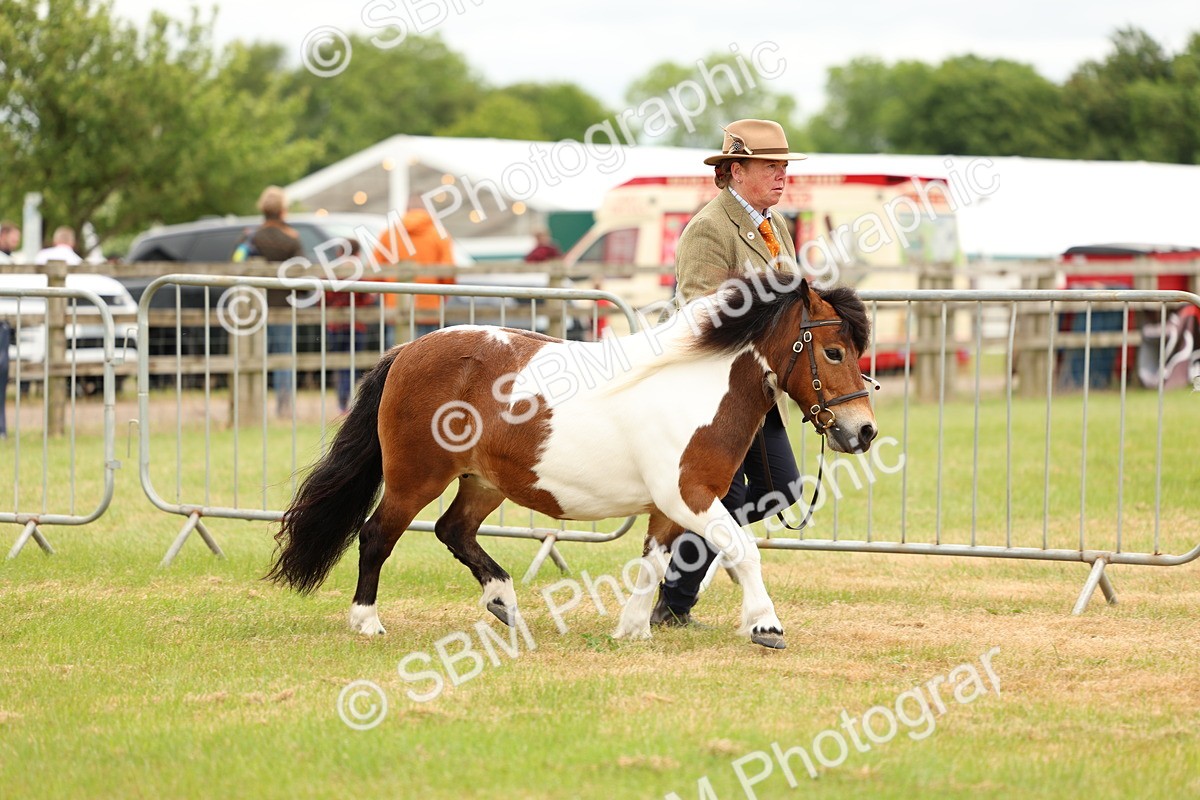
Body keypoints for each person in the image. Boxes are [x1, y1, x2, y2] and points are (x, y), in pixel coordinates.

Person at [652, 119, 810, 629]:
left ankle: (696, 559)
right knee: (728, 496)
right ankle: (674, 603)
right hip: (714, 391)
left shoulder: (774, 223)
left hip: (757, 389)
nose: (781, 175)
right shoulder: (708, 228)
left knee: (780, 487)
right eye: (770, 166)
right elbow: (699, 308)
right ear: (735, 170)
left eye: (784, 166)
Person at [232, 186, 303, 418]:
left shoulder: (251, 236)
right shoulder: (292, 239)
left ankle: (250, 407)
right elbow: (301, 273)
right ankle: (284, 409)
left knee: (253, 358)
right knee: (284, 360)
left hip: (252, 308)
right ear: (283, 210)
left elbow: (236, 263)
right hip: (283, 306)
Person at [371, 195, 455, 341]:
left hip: (396, 306)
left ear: (406, 209)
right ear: (427, 210)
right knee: (429, 358)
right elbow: (448, 273)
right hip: (429, 307)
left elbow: (375, 272)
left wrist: (386, 295)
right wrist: (442, 296)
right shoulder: (439, 234)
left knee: (397, 358)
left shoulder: (388, 235)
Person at [323, 239, 373, 412]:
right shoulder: (359, 272)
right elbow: (367, 297)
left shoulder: (331, 271)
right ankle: (347, 403)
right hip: (355, 325)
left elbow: (323, 297)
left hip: (334, 325)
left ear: (339, 252)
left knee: (340, 364)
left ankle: (342, 403)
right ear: (358, 253)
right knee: (352, 365)